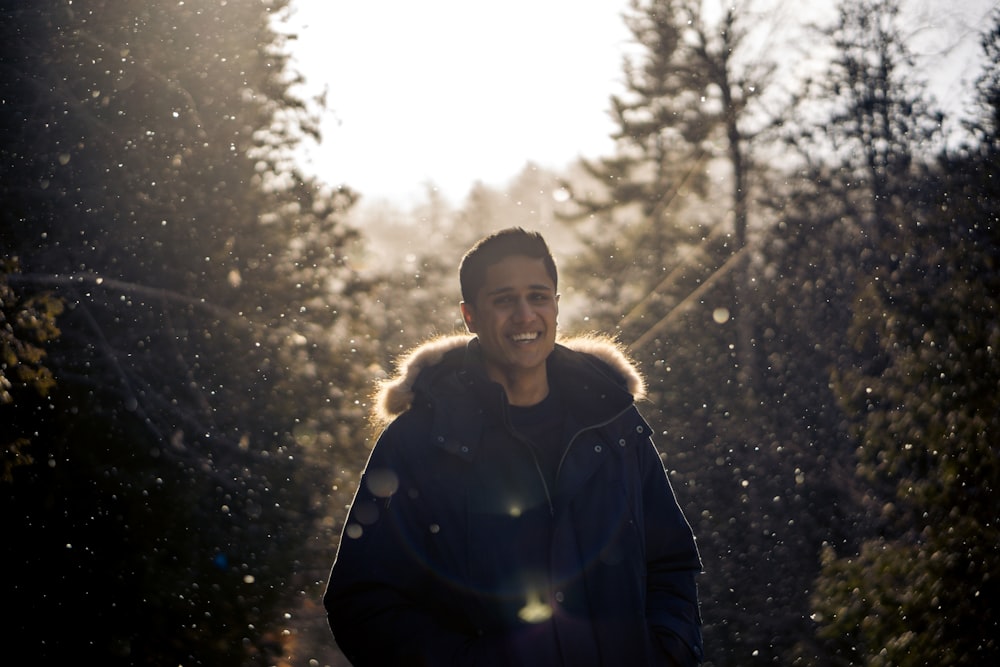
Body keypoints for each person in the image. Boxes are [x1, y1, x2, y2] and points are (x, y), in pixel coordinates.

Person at [324, 227, 704, 666]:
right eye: (504, 300)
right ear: (470, 316)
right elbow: (362, 602)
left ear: (557, 306)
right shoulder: (419, 443)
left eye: (538, 296)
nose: (525, 315)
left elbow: (672, 564)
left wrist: (666, 653)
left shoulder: (613, 424)